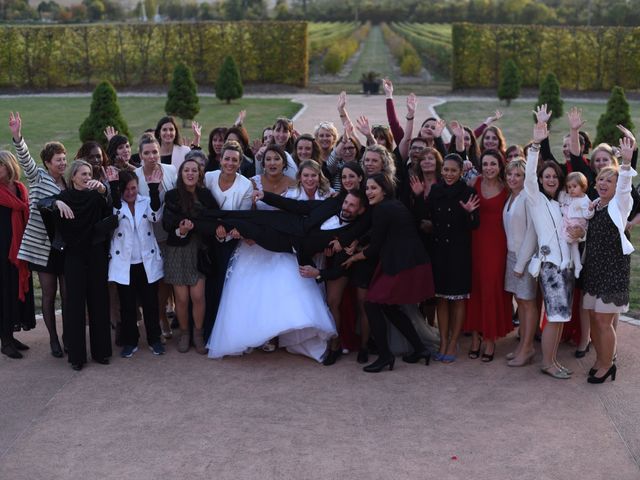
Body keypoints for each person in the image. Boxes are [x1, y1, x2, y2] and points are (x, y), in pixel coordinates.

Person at [206, 146, 337, 362]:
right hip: (254, 242)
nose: (273, 162)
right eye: (269, 159)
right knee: (252, 290)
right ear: (263, 162)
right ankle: (257, 335)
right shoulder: (253, 182)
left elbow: (296, 210)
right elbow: (248, 213)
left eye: (277, 158)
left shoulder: (294, 184)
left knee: (285, 286)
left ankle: (282, 335)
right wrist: (246, 233)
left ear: (284, 163)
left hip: (283, 244)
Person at [342, 174, 434, 373]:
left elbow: (375, 247)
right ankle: (420, 349)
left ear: (384, 189)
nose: (369, 192)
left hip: (402, 264)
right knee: (389, 307)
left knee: (372, 304)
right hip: (407, 261)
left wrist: (353, 258)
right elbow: (379, 232)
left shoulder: (383, 209)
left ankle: (385, 356)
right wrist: (359, 241)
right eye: (367, 188)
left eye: (373, 188)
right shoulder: (391, 205)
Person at [39, 160, 112, 371]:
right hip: (73, 258)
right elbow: (40, 203)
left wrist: (103, 189)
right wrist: (56, 203)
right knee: (75, 305)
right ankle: (77, 357)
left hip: (96, 255)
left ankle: (101, 352)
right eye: (83, 174)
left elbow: (110, 204)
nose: (87, 177)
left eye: (89, 174)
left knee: (99, 301)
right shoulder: (64, 198)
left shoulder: (96, 196)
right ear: (73, 177)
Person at [9, 112, 66, 358]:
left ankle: (68, 336)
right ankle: (53, 339)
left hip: (65, 246)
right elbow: (25, 160)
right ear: (47, 163)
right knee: (49, 292)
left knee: (68, 294)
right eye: (58, 160)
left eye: (64, 159)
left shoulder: (67, 182)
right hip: (43, 247)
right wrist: (17, 136)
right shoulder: (38, 176)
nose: (62, 163)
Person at [582, 137, 636, 383]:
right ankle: (600, 358)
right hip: (594, 269)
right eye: (601, 179)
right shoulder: (595, 205)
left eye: (609, 180)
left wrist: (626, 163)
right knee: (594, 317)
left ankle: (607, 364)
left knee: (604, 321)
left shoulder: (619, 205)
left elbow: (625, 186)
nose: (604, 183)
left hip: (613, 270)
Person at [525, 122, 577, 380]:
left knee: (560, 318)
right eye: (547, 176)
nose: (551, 180)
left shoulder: (561, 204)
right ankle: (547, 363)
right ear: (541, 179)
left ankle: (553, 360)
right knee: (555, 317)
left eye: (555, 177)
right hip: (550, 268)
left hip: (566, 267)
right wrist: (535, 146)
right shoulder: (535, 200)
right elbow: (528, 178)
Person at [163, 159, 219, 354]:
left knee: (197, 295)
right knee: (182, 298)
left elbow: (214, 218)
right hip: (178, 250)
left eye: (194, 170)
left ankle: (198, 333)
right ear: (181, 174)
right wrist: (181, 229)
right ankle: (185, 334)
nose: (190, 174)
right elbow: (167, 223)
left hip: (199, 251)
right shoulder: (172, 196)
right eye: (186, 170)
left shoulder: (205, 195)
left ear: (199, 174)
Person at [107, 169, 165, 358]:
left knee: (150, 304)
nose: (130, 193)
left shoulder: (145, 202)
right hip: (125, 264)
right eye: (126, 189)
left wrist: (154, 189)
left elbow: (155, 216)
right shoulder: (115, 205)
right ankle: (130, 341)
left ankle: (154, 339)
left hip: (146, 261)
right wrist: (114, 188)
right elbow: (114, 215)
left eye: (133, 188)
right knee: (128, 306)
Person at [428, 153, 479, 363]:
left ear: (461, 172)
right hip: (439, 252)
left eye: (453, 171)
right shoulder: (435, 191)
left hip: (459, 253)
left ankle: (453, 342)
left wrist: (469, 213)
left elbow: (474, 225)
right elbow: (430, 219)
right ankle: (443, 340)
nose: (449, 174)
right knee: (441, 298)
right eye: (446, 170)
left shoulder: (468, 192)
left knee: (457, 299)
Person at [465, 149, 513, 362]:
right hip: (474, 243)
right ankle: (475, 337)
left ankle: (490, 339)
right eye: (485, 164)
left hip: (497, 246)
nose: (488, 168)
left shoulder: (507, 189)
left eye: (493, 164)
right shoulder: (473, 183)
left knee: (491, 288)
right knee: (475, 289)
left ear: (500, 166)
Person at [202, 140, 253, 340]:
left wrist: (228, 231)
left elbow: (243, 216)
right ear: (220, 159)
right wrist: (215, 228)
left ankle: (222, 333)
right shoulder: (208, 178)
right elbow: (202, 208)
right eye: (227, 159)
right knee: (207, 288)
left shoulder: (246, 185)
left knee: (224, 286)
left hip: (232, 243)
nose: (230, 163)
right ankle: (206, 331)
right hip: (207, 239)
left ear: (239, 162)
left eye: (234, 160)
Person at [134, 135, 177, 339]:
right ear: (140, 155)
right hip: (147, 237)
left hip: (170, 234)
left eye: (155, 152)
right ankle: (158, 317)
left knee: (167, 280)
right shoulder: (135, 176)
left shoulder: (170, 171)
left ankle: (163, 315)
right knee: (154, 280)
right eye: (147, 153)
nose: (152, 156)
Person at [502, 158, 539, 367]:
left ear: (525, 178)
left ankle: (527, 348)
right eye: (510, 174)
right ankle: (522, 346)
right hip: (512, 255)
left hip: (524, 257)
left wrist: (520, 263)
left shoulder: (527, 198)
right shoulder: (511, 197)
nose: (513, 178)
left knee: (528, 302)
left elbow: (531, 234)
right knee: (521, 302)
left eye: (518, 175)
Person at [0, 150, 35, 359]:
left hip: (21, 249)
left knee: (15, 292)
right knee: (4, 294)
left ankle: (11, 336)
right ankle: (5, 341)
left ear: (9, 166)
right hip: (3, 253)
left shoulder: (21, 189)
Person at [559, 172, 593, 276]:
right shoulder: (570, 197)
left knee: (563, 239)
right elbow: (562, 199)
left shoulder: (584, 200)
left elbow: (587, 216)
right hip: (569, 222)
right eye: (569, 187)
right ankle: (578, 265)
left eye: (574, 186)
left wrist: (590, 209)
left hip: (576, 224)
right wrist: (564, 192)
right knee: (574, 246)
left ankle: (566, 259)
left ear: (583, 187)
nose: (571, 189)